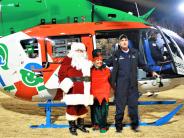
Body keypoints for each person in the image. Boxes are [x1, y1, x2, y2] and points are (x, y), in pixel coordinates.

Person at [105, 34, 159, 133]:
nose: (124, 42)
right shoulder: (116, 55)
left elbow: (143, 65)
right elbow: (105, 64)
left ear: (128, 41)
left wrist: (152, 71)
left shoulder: (135, 53)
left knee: (133, 107)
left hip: (133, 86)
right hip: (121, 86)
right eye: (122, 40)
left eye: (125, 40)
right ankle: (118, 126)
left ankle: (135, 126)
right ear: (119, 43)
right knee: (120, 108)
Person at [58, 42, 93, 136]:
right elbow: (61, 74)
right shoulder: (67, 60)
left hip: (84, 88)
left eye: (81, 50)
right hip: (72, 89)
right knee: (72, 108)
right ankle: (72, 126)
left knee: (82, 107)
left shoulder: (86, 61)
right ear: (73, 51)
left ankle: (81, 125)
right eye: (77, 50)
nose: (80, 52)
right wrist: (67, 83)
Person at [90, 49, 111, 133]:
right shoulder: (90, 70)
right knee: (95, 110)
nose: (99, 62)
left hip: (104, 93)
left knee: (104, 111)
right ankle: (96, 124)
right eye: (97, 60)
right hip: (94, 93)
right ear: (94, 61)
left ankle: (103, 125)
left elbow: (111, 80)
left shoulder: (106, 70)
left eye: (100, 60)